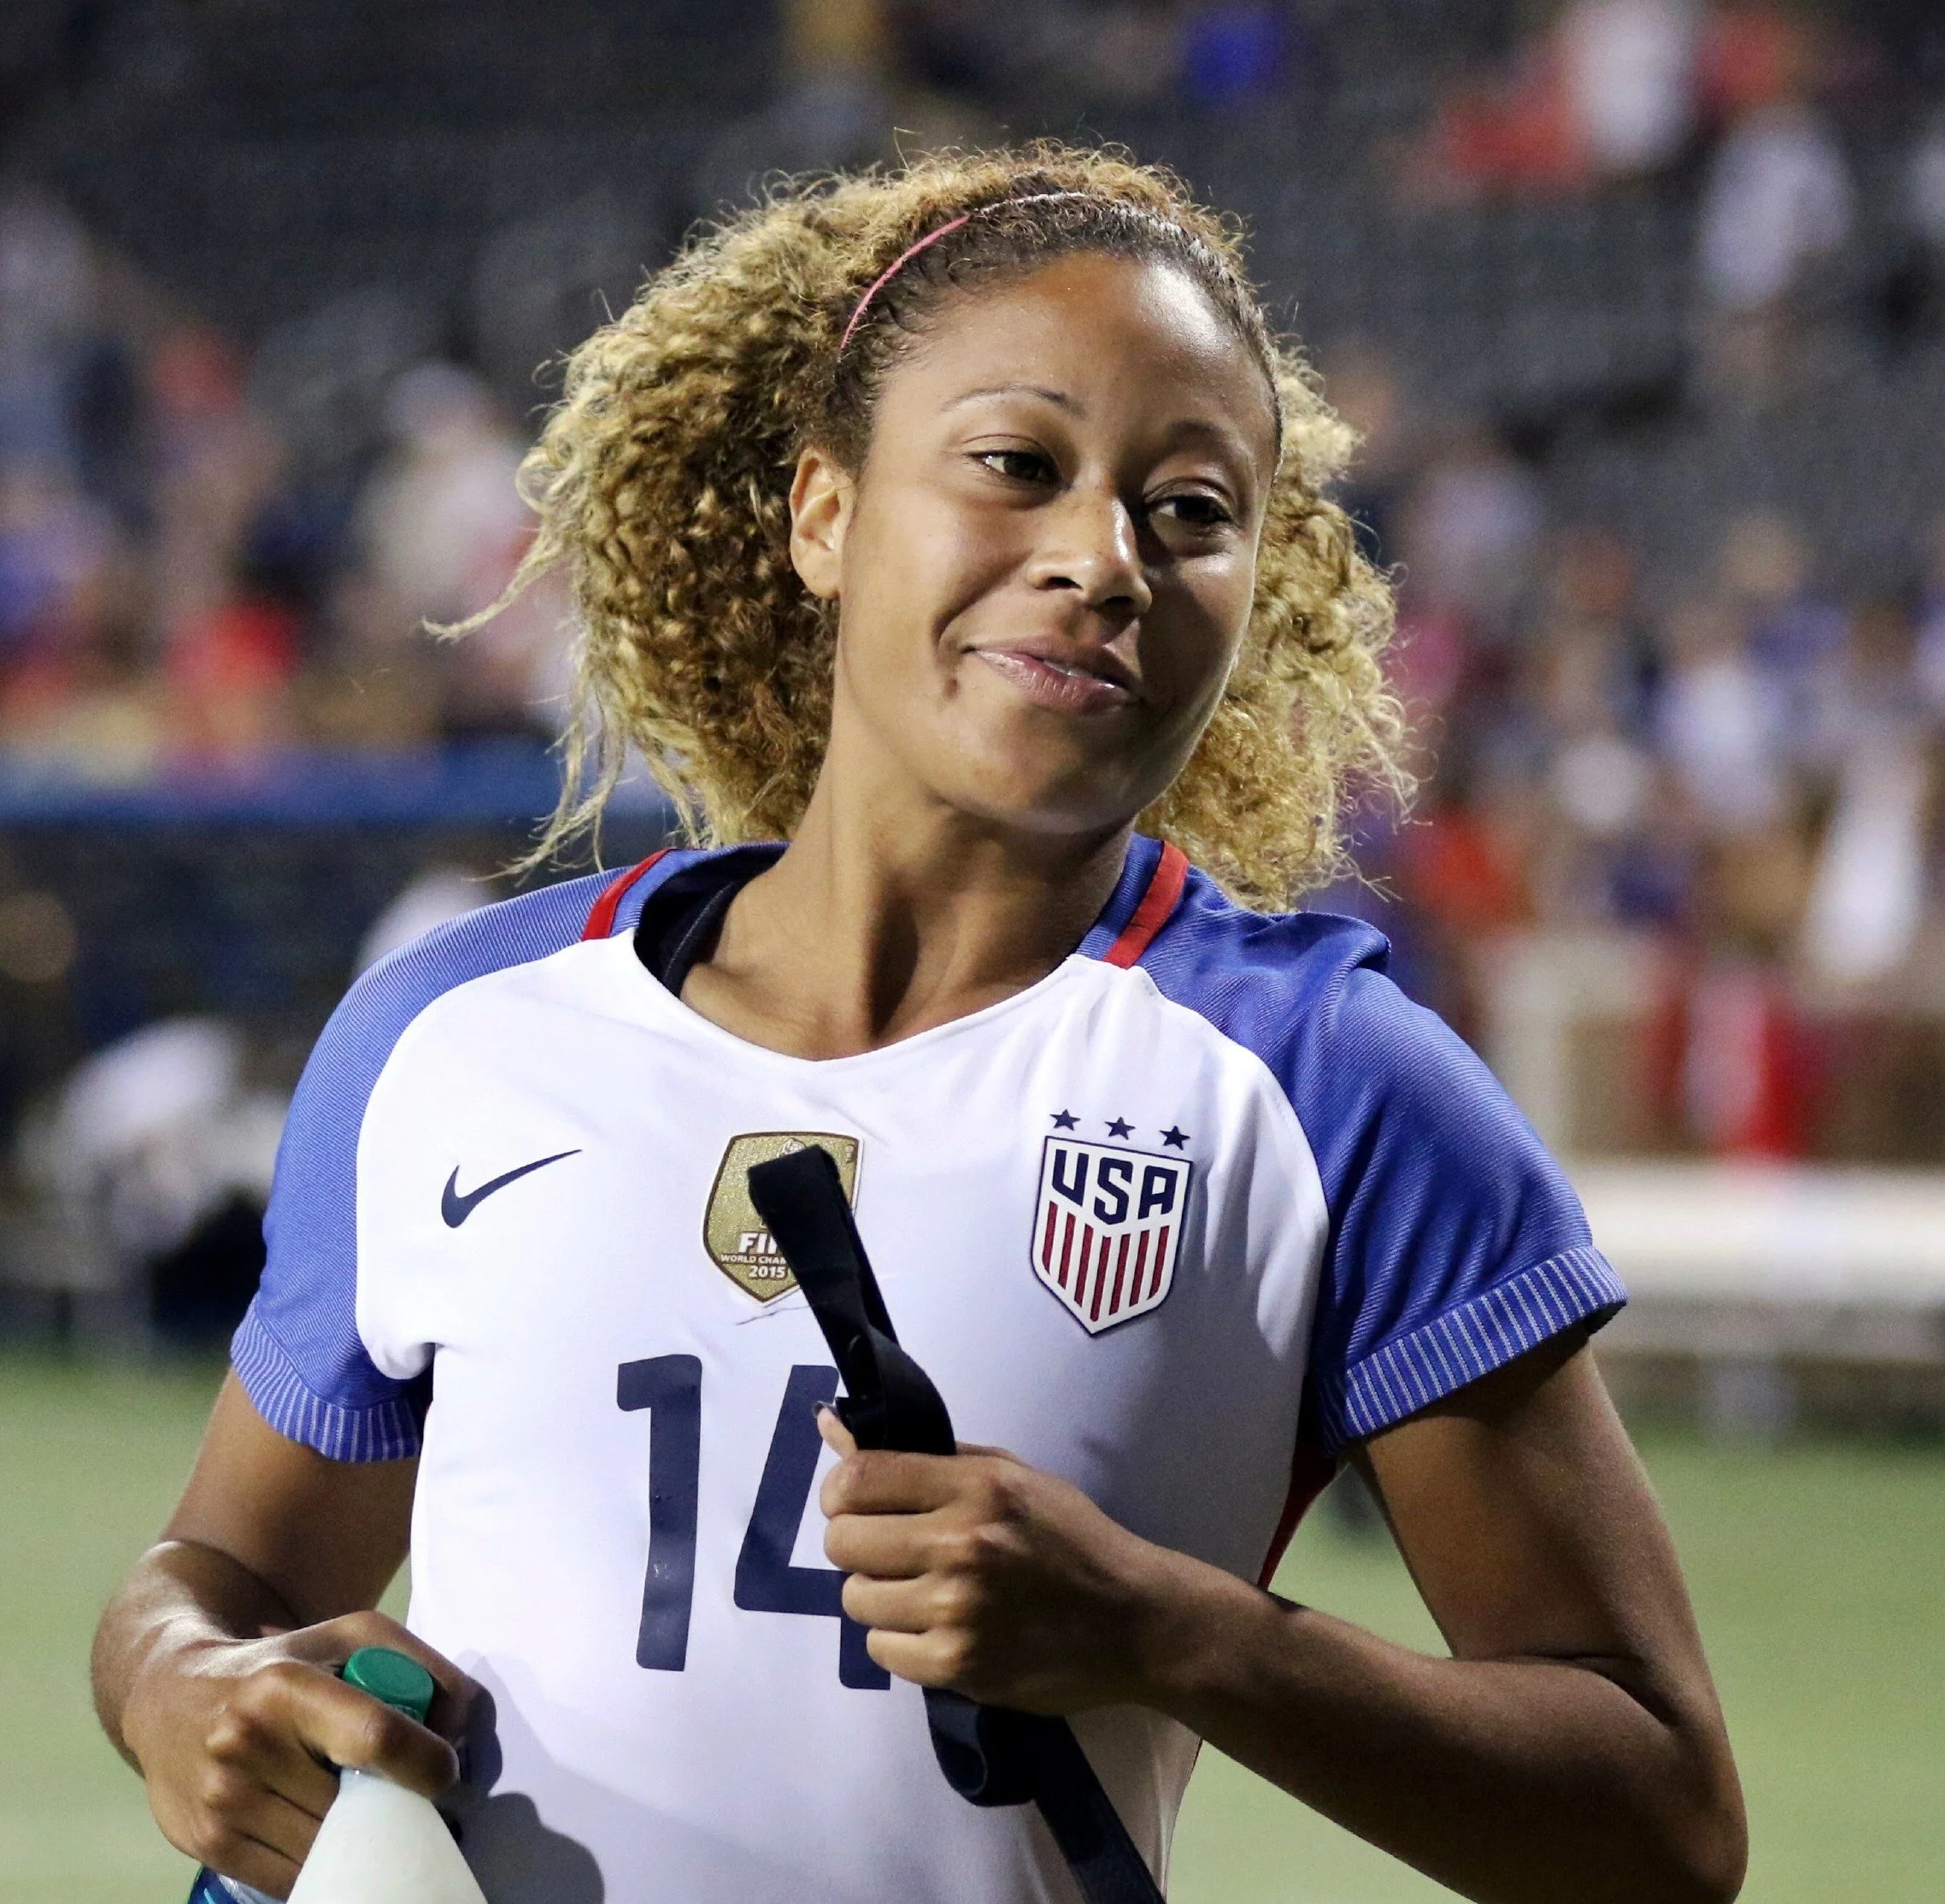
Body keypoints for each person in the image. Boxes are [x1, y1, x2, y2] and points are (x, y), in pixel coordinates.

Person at [91, 146, 1746, 1904]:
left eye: (1193, 512)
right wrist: (181, 1684)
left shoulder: (1329, 1088)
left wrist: (1178, 1632)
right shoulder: (456, 1029)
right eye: (1015, 466)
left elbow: (1660, 1821)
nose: (1104, 558)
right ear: (823, 514)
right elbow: (218, 1575)